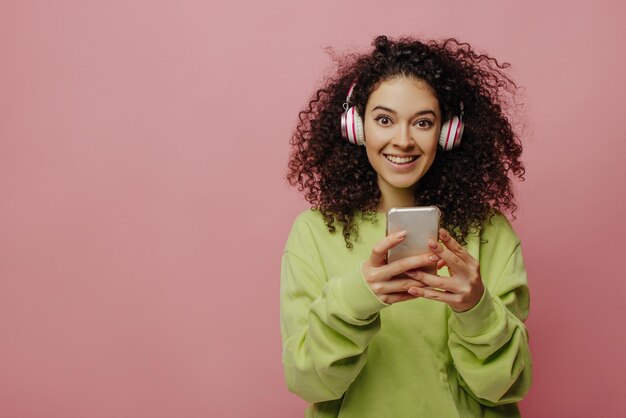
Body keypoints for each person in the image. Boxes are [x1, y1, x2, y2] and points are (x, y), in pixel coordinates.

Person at [281, 35, 531, 418]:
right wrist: (357, 297)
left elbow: (504, 388)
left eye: (423, 123)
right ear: (356, 126)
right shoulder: (314, 232)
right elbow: (309, 383)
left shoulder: (489, 232)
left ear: (448, 132)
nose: (403, 140)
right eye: (384, 119)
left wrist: (476, 309)